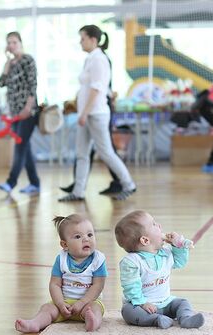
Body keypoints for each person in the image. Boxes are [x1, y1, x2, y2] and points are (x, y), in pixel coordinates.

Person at [59, 25, 136, 202]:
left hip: (96, 114)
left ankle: (129, 184)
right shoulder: (90, 59)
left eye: (83, 38)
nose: (80, 42)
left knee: (106, 152)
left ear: (93, 40)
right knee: (82, 153)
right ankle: (78, 191)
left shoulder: (99, 60)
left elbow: (97, 89)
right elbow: (87, 87)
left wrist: (84, 113)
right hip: (86, 114)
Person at [15, 213, 106, 333]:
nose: (86, 239)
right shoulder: (61, 259)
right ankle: (35, 323)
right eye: (78, 236)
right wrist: (60, 304)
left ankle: (93, 322)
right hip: (65, 303)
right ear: (64, 244)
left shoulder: (98, 260)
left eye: (90, 234)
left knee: (95, 309)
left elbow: (98, 286)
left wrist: (82, 302)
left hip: (88, 302)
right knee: (47, 308)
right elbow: (55, 284)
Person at [114, 210, 204, 329]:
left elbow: (180, 263)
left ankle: (186, 319)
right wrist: (142, 303)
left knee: (183, 302)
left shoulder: (166, 252)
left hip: (166, 303)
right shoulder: (132, 262)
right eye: (154, 224)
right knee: (128, 311)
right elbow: (131, 287)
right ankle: (156, 319)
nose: (159, 226)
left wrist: (178, 246)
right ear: (145, 240)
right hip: (142, 307)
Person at [0, 31, 40, 195]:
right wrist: (6, 66)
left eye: (14, 42)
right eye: (9, 42)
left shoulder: (28, 60)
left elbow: (32, 85)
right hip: (14, 113)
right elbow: (1, 83)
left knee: (20, 146)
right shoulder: (11, 64)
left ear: (20, 43)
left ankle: (11, 182)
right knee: (25, 148)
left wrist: (28, 108)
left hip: (27, 112)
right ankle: (35, 183)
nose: (11, 45)